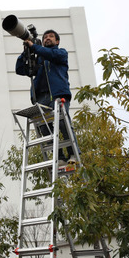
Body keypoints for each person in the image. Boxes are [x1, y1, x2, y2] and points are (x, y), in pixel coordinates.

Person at [16, 29, 76, 162]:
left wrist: (34, 47)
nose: (47, 38)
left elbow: (50, 54)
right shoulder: (39, 59)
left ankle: (73, 154)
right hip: (41, 98)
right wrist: (26, 51)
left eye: (51, 37)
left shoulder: (61, 53)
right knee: (44, 127)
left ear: (57, 41)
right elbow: (19, 69)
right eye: (45, 37)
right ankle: (59, 157)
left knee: (62, 122)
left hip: (57, 95)